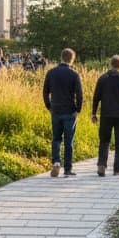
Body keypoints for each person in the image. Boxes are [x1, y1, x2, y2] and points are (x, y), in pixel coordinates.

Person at [91, 54, 119, 176]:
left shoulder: (102, 78)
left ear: (111, 64)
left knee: (104, 141)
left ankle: (101, 164)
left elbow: (96, 97)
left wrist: (94, 113)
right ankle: (117, 169)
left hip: (106, 114)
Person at [42, 47, 83, 177]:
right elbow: (79, 94)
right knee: (69, 141)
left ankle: (56, 162)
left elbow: (45, 92)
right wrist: (78, 109)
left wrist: (49, 106)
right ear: (72, 59)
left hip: (56, 110)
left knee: (56, 138)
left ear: (61, 57)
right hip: (69, 111)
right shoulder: (74, 74)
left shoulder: (51, 73)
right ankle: (67, 169)